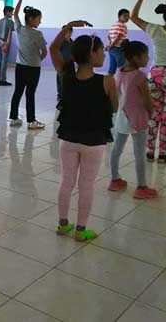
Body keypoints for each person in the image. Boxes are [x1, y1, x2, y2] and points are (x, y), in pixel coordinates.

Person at [50, 20, 118, 242]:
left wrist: (68, 27)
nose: (104, 55)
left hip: (68, 140)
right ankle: (80, 229)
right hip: (94, 142)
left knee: (66, 181)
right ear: (92, 54)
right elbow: (115, 107)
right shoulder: (107, 81)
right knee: (86, 184)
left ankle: (62, 225)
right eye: (101, 51)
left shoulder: (66, 75)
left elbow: (53, 48)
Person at [130, 0, 166, 163]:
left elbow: (133, 17)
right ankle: (162, 154)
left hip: (154, 74)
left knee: (154, 113)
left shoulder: (154, 29)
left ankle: (149, 151)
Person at [109, 40, 158, 199]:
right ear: (136, 58)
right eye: (145, 56)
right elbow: (146, 100)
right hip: (137, 118)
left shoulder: (119, 72)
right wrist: (152, 113)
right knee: (139, 153)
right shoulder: (140, 76)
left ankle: (115, 180)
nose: (148, 58)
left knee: (116, 149)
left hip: (121, 118)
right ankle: (141, 187)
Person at [9, 0, 48, 129]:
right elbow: (44, 52)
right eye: (39, 19)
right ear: (31, 19)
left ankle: (13, 118)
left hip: (20, 66)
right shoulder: (38, 34)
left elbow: (15, 13)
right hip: (33, 68)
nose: (40, 21)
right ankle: (31, 121)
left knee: (18, 91)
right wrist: (37, 60)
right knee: (30, 93)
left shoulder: (19, 28)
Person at [106, 9, 130, 75]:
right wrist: (111, 45)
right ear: (119, 16)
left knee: (112, 67)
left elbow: (108, 36)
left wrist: (110, 45)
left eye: (128, 16)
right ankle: (122, 81)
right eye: (125, 16)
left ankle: (109, 81)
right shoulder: (123, 25)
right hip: (118, 48)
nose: (127, 18)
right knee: (122, 66)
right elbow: (118, 36)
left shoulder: (113, 25)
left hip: (112, 49)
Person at [0, 5, 14, 86]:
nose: (12, 14)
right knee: (4, 62)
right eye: (11, 12)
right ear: (7, 12)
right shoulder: (10, 22)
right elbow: (9, 34)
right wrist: (6, 44)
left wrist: (1, 42)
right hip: (6, 44)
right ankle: (3, 80)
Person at [56, 26, 74, 110]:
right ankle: (60, 95)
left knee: (70, 79)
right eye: (67, 32)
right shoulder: (60, 42)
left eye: (70, 32)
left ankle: (68, 95)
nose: (69, 34)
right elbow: (56, 52)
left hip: (70, 64)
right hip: (62, 64)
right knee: (61, 80)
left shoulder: (71, 42)